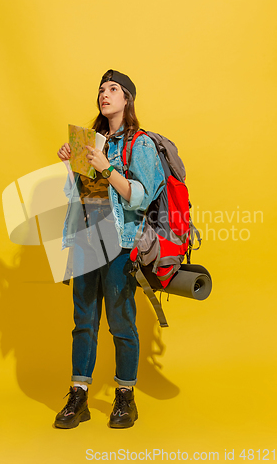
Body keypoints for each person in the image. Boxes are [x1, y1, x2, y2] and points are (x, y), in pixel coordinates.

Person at [55, 69, 165, 429]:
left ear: (126, 99)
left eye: (113, 89)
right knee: (83, 322)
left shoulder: (141, 143)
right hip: (86, 239)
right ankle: (78, 396)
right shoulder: (92, 141)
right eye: (101, 90)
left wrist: (106, 168)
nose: (104, 94)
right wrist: (72, 166)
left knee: (121, 323)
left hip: (120, 244)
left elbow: (141, 197)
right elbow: (82, 196)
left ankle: (125, 398)